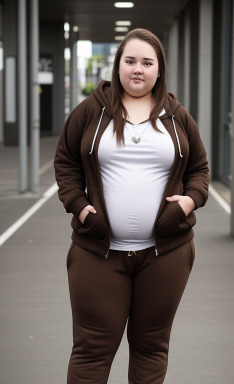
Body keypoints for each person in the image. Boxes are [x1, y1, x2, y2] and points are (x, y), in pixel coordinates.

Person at [54, 28, 209, 384]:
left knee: (151, 347)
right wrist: (79, 206)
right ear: (118, 66)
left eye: (147, 62)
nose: (137, 69)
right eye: (130, 61)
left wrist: (188, 201)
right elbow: (65, 163)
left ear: (159, 70)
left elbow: (200, 169)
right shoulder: (91, 111)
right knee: (91, 350)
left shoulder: (176, 115)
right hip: (97, 253)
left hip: (166, 254)